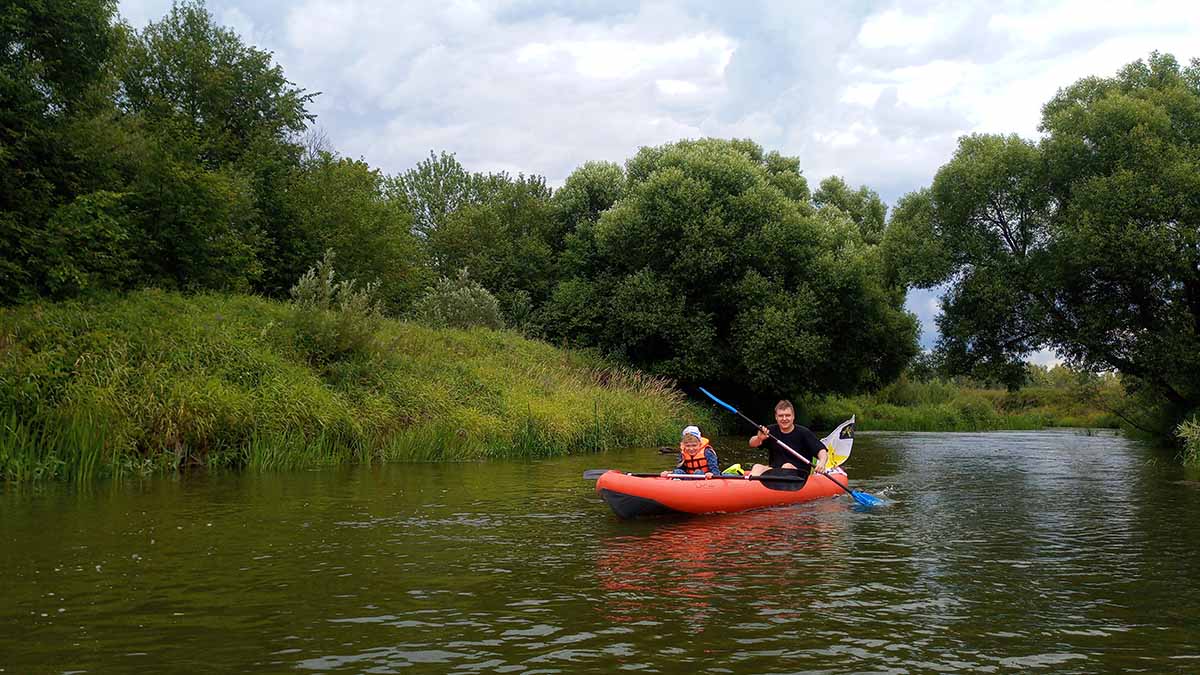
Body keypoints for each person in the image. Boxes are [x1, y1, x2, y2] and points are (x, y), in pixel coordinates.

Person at [747, 400, 828, 478]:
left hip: (799, 475)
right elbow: (752, 443)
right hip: (776, 470)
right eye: (781, 416)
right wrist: (759, 438)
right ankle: (752, 488)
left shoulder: (804, 432)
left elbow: (821, 450)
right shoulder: (770, 431)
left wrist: (822, 463)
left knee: (787, 466)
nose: (784, 419)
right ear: (776, 417)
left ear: (793, 416)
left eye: (788, 415)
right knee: (757, 467)